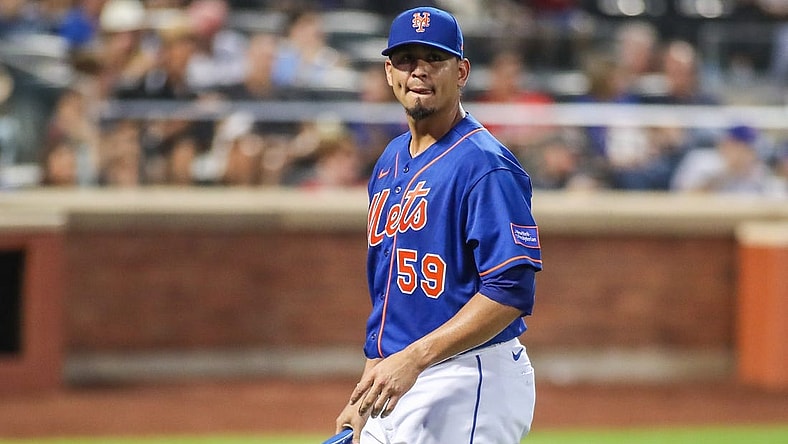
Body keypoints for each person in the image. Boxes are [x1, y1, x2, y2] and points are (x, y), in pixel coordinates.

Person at [333, 7, 541, 444]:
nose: (419, 71)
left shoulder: (485, 165)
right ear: (389, 72)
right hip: (397, 376)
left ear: (461, 71)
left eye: (434, 58)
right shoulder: (390, 159)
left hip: (468, 376)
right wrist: (366, 387)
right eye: (406, 59)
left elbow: (511, 290)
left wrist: (414, 359)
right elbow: (389, 290)